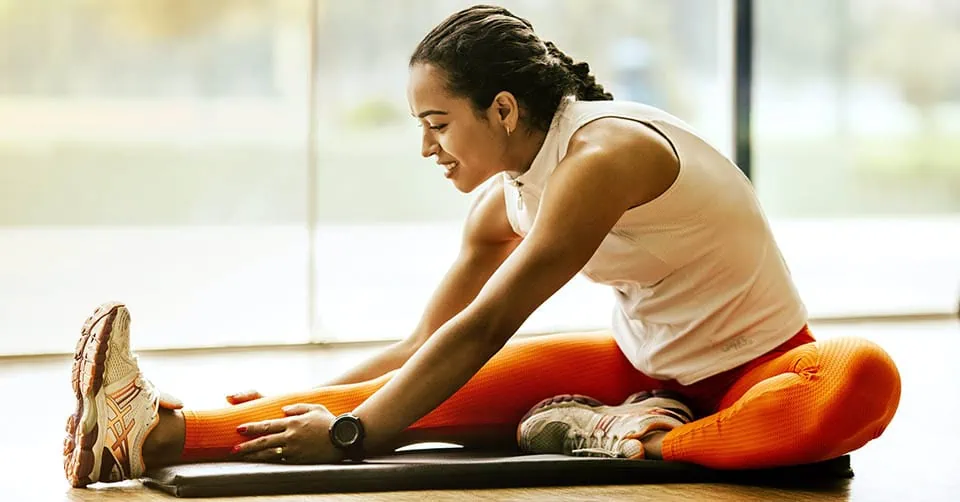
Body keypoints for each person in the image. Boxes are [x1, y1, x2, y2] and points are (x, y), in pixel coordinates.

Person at [63, 4, 901, 488]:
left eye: (438, 124)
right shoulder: (504, 201)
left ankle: (633, 439)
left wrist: (358, 436)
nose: (428, 148)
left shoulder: (605, 158)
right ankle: (142, 435)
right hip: (642, 372)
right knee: (410, 389)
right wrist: (297, 402)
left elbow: (491, 321)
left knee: (864, 377)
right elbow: (424, 349)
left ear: (502, 109)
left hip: (764, 370)